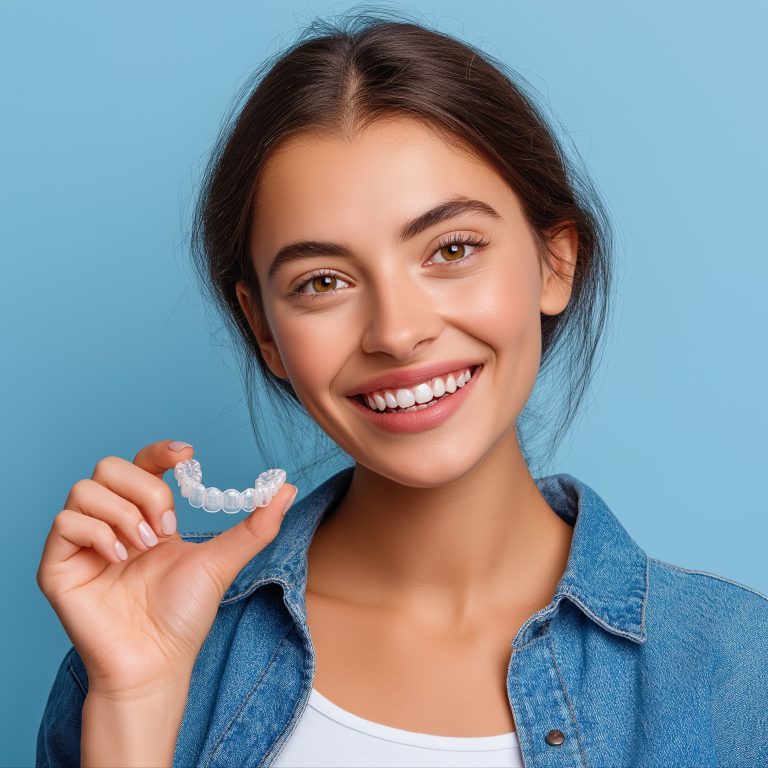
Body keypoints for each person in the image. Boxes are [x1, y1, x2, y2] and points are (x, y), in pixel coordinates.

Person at [36, 10, 768, 768]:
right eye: (323, 281)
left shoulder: (739, 675)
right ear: (263, 329)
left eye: (451, 249)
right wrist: (134, 703)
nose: (396, 330)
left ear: (555, 262)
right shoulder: (148, 649)